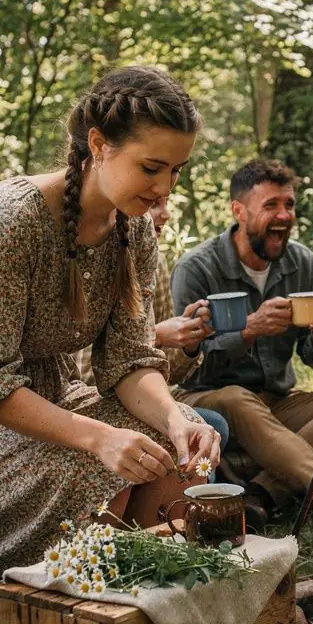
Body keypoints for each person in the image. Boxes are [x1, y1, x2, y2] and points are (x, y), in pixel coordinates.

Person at [0, 66, 220, 575]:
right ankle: (77, 611)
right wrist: (99, 438)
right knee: (92, 465)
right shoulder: (8, 220)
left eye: (176, 170)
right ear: (98, 144)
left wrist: (175, 419)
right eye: (151, 167)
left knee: (184, 445)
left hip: (50, 396)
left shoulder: (135, 231)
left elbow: (130, 363)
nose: (164, 189)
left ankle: (137, 600)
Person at [170, 158, 313, 536]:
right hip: (207, 398)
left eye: (289, 205)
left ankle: (262, 492)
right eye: (271, 205)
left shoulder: (301, 263)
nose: (284, 215)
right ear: (239, 211)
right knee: (237, 397)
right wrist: (249, 331)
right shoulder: (197, 268)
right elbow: (187, 365)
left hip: (275, 402)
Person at [77, 193, 230, 457]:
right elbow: (84, 374)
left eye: (167, 203)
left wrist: (189, 343)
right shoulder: (92, 262)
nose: (165, 213)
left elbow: (168, 375)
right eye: (154, 203)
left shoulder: (154, 263)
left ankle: (198, 498)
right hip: (87, 405)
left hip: (141, 401)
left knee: (212, 426)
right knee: (208, 423)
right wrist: (155, 335)